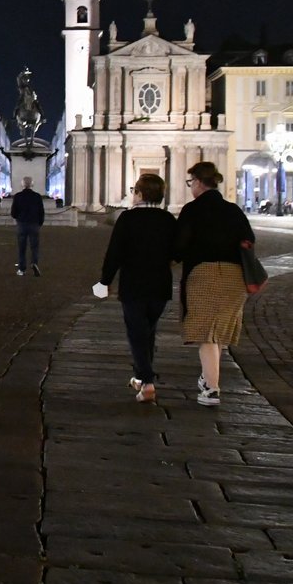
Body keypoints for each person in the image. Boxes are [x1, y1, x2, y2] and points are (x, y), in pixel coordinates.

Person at [173, 162, 254, 406]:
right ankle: (209, 377)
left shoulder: (192, 210)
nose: (191, 187)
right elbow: (249, 239)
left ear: (198, 181)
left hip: (203, 273)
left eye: (191, 183)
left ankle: (211, 387)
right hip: (234, 276)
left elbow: (178, 246)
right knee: (217, 330)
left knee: (207, 333)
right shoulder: (233, 210)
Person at [94, 174, 177, 402]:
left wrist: (104, 281)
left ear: (139, 194)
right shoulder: (168, 219)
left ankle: (148, 382)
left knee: (137, 332)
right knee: (148, 330)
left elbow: (114, 254)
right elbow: (177, 252)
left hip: (133, 284)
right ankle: (141, 377)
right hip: (160, 284)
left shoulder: (127, 219)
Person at [10, 176, 45, 276]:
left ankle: (22, 269)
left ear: (22, 184)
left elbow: (13, 212)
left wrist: (18, 218)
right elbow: (41, 212)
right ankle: (34, 263)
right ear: (32, 184)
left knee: (22, 248)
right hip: (34, 224)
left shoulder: (17, 196)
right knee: (34, 247)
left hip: (22, 224)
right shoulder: (37, 196)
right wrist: (39, 223)